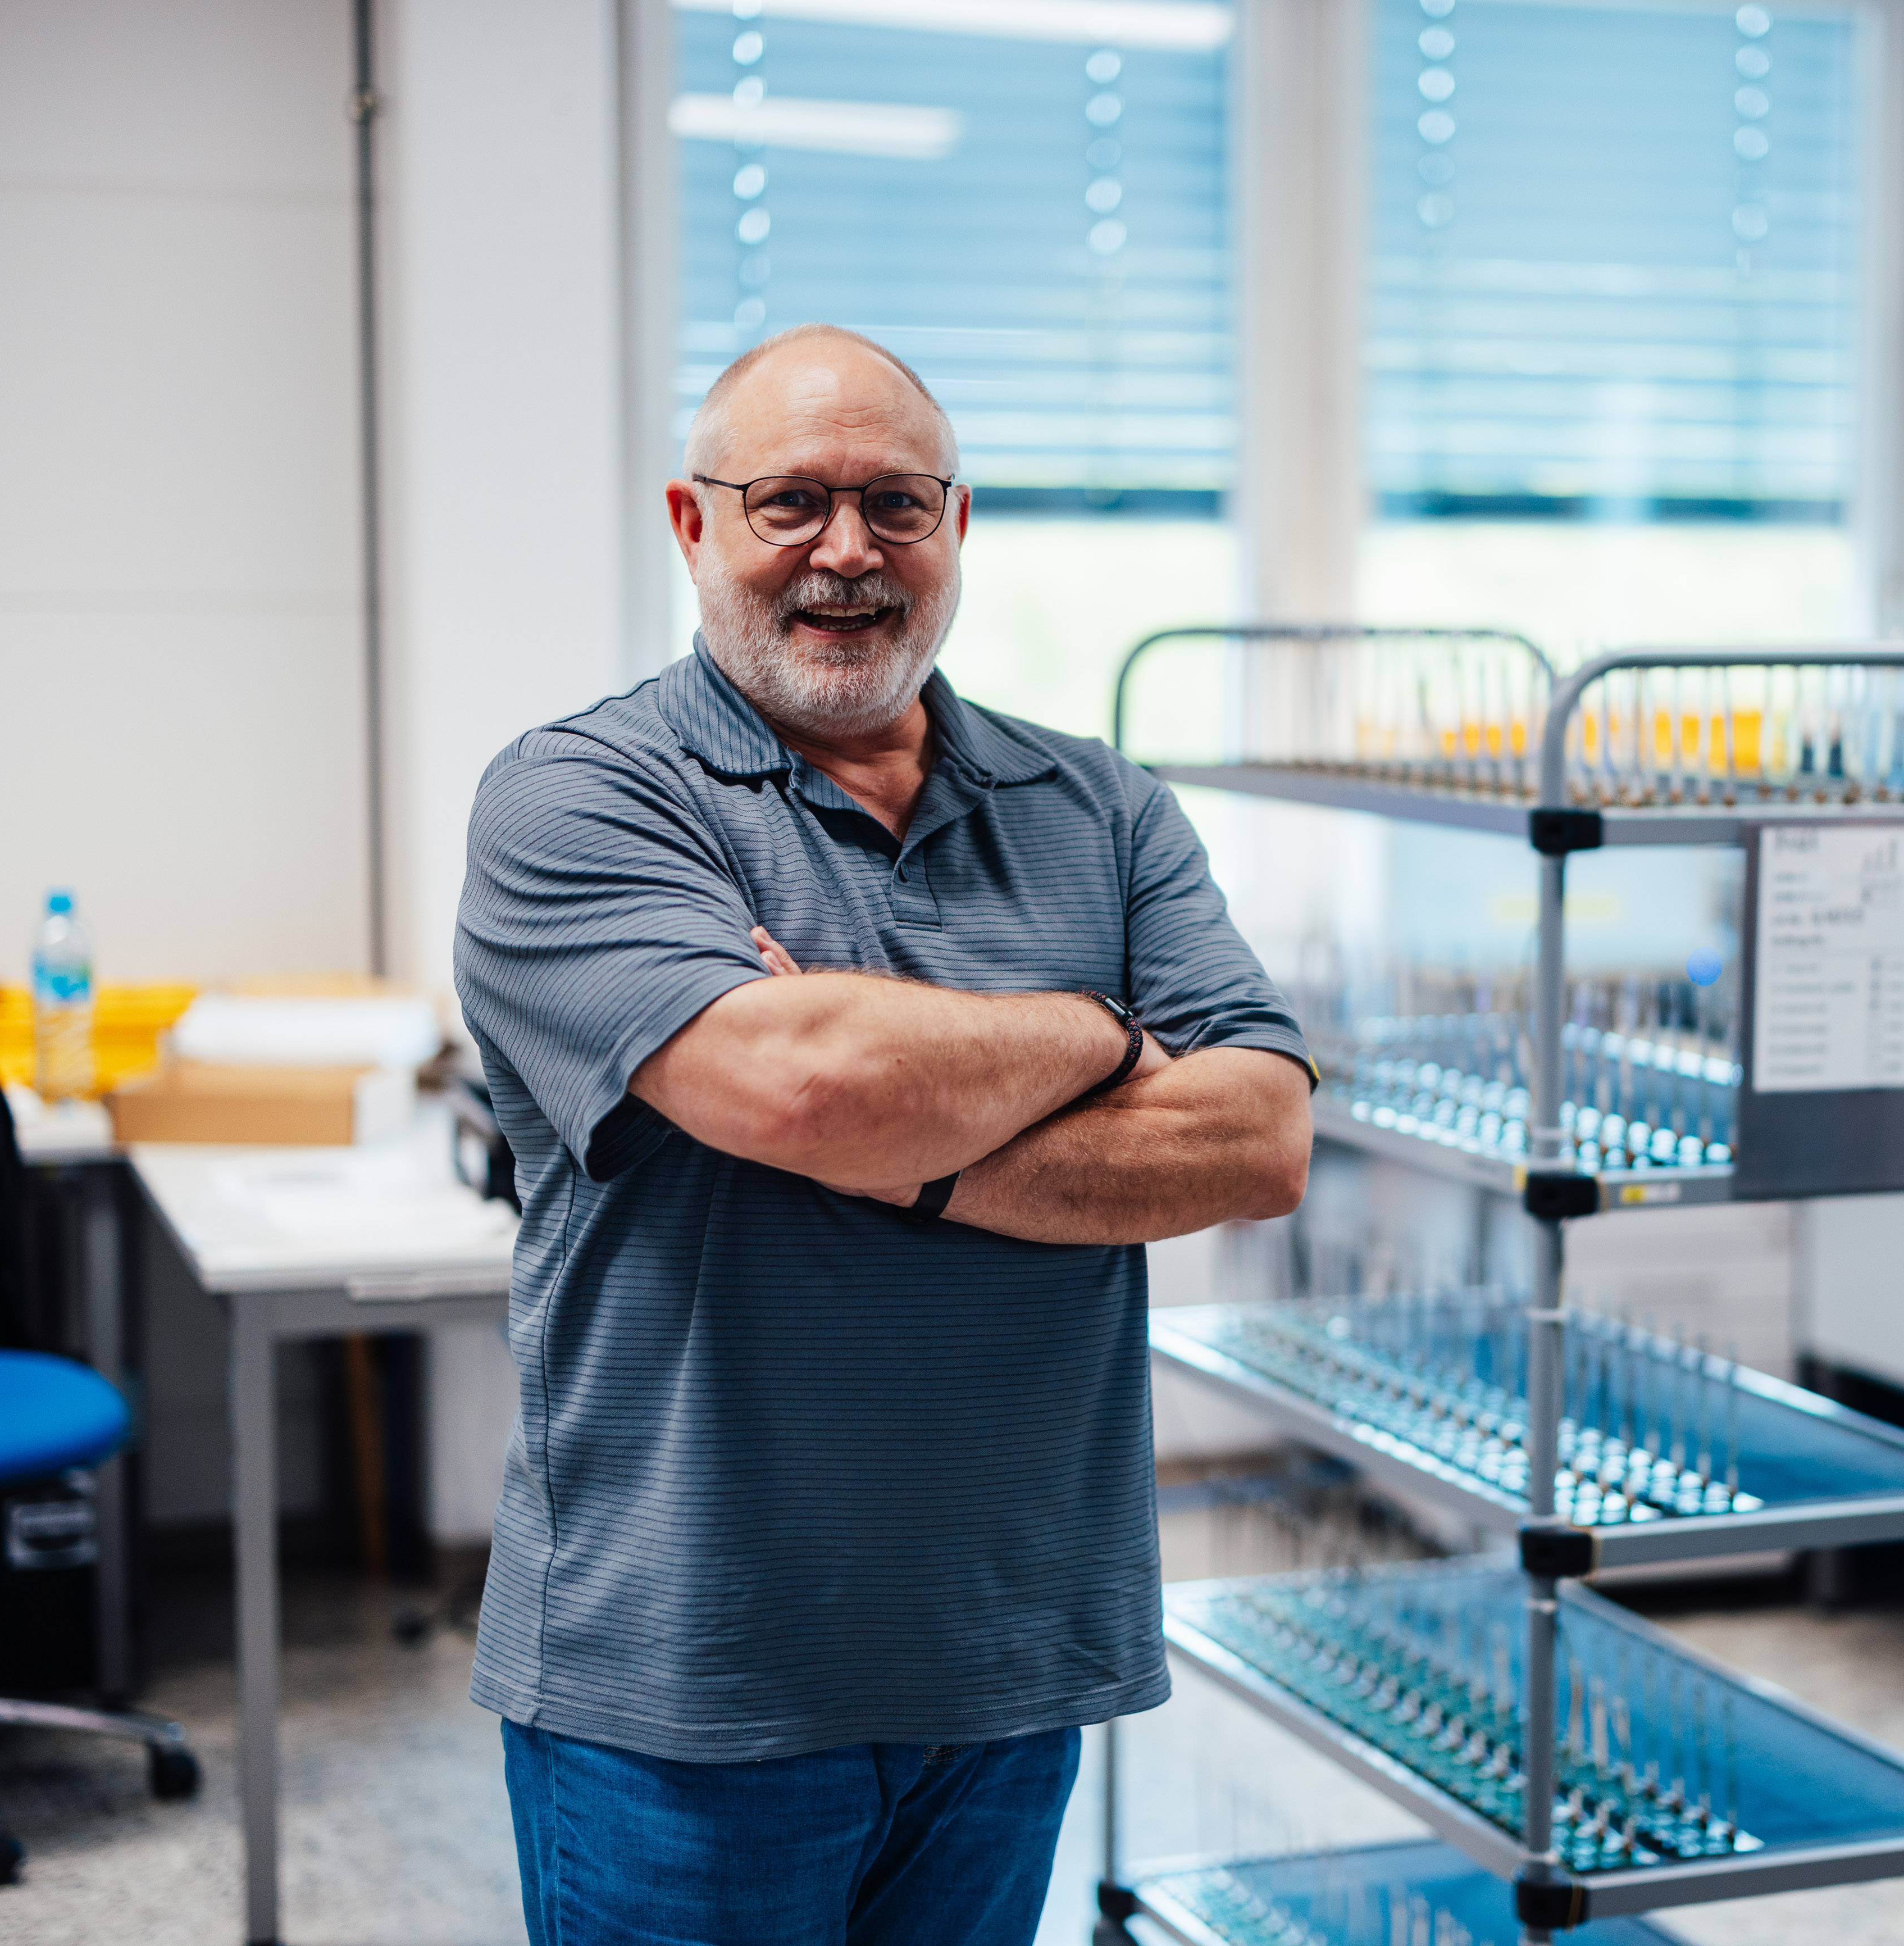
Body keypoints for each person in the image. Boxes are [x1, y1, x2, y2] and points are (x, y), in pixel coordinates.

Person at [453, 322, 1314, 1946]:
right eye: (788, 501)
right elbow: (806, 1090)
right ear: (691, 525)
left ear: (959, 529)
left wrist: (871, 1108)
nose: (846, 551)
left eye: (895, 506)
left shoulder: (1104, 810)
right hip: (681, 1687)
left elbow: (1259, 1141)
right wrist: (1105, 1040)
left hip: (1007, 1661)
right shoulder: (582, 796)